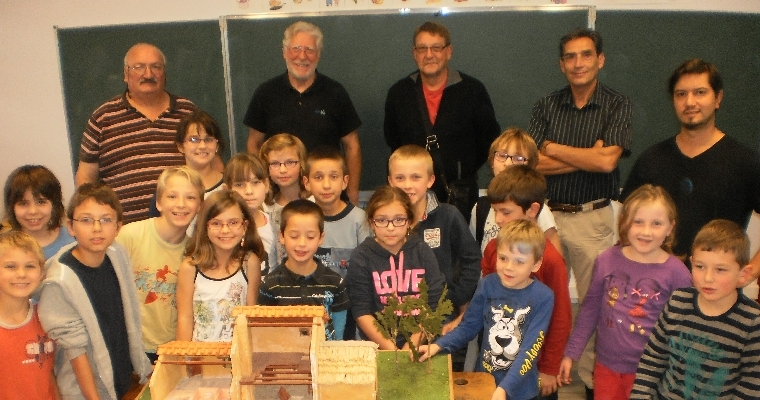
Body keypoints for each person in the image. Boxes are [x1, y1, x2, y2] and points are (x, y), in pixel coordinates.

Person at [528, 28, 632, 396]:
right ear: (561, 64)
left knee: (595, 309)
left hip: (594, 218)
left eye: (586, 54)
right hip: (547, 219)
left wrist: (555, 148)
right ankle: (546, 382)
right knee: (544, 302)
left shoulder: (617, 104)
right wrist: (589, 154)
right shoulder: (546, 105)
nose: (578, 63)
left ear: (600, 60)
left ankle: (587, 386)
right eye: (570, 56)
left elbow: (607, 163)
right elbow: (531, 162)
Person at [621, 59, 760, 274]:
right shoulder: (651, 160)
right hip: (656, 285)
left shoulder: (745, 162)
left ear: (718, 98)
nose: (690, 102)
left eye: (700, 92)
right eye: (681, 94)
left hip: (717, 287)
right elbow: (627, 224)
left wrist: (749, 272)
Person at [558, 185, 692, 399]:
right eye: (638, 221)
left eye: (656, 223)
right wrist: (571, 353)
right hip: (607, 368)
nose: (646, 231)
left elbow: (685, 329)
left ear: (670, 228)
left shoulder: (677, 273)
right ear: (624, 222)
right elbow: (590, 310)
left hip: (652, 373)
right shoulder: (607, 260)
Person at [38, 183, 152, 399]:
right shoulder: (59, 282)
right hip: (86, 392)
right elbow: (76, 352)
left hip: (121, 381)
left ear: (118, 227)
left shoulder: (117, 254)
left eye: (106, 220)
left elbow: (128, 317)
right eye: (86, 220)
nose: (97, 228)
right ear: (71, 227)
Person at [418, 220, 554, 400]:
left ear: (536, 264)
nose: (509, 267)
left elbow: (529, 351)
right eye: (503, 258)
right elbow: (468, 327)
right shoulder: (487, 284)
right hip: (485, 381)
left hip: (520, 392)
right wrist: (439, 345)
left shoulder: (543, 297)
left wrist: (504, 389)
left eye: (519, 262)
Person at [384, 21, 501, 220]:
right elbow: (393, 140)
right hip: (411, 196)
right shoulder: (400, 93)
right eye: (422, 48)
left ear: (449, 51)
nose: (429, 55)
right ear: (414, 53)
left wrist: (461, 170)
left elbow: (489, 141)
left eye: (436, 48)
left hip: (460, 197)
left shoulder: (472, 91)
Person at [630, 219, 760, 399]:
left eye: (720, 270)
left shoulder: (752, 321)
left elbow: (752, 383)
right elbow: (653, 358)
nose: (708, 278)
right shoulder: (677, 302)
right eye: (700, 267)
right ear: (691, 263)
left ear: (743, 274)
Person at [243, 21, 362, 206]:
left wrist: (352, 192)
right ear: (284, 52)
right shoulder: (266, 93)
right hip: (278, 198)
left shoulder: (335, 93)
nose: (302, 56)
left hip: (326, 197)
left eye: (310, 50)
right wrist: (262, 185)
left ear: (318, 54)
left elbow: (352, 146)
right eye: (296, 48)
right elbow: (253, 144)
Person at [76, 43, 197, 223]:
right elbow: (86, 177)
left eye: (156, 67)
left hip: (183, 228)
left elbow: (208, 164)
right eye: (138, 67)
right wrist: (96, 220)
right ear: (126, 74)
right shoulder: (103, 117)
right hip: (124, 230)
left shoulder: (187, 112)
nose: (148, 74)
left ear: (165, 74)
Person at [479, 165, 572, 399]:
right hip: (498, 362)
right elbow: (488, 301)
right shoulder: (493, 250)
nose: (498, 219)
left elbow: (560, 317)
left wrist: (549, 368)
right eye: (495, 211)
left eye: (506, 212)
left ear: (532, 210)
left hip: (535, 368)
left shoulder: (550, 260)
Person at [388, 145, 481, 334]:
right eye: (400, 178)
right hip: (395, 312)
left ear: (430, 180)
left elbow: (472, 259)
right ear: (390, 181)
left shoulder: (448, 216)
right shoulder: (384, 220)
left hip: (439, 314)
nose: (407, 185)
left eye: (416, 177)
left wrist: (454, 297)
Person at [117, 166, 204, 363]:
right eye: (172, 196)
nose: (181, 204)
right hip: (130, 348)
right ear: (158, 202)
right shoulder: (129, 237)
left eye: (190, 197)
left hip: (170, 349)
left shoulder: (195, 253)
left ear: (200, 206)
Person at [346, 185, 446, 350]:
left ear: (410, 221)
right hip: (377, 346)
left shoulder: (422, 252)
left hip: (421, 345)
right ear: (371, 222)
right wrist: (392, 351)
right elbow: (362, 312)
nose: (390, 227)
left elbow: (434, 304)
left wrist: (411, 346)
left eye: (399, 220)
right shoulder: (362, 256)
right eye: (382, 220)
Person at [176, 190, 265, 342]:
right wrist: (183, 355)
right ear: (205, 227)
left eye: (233, 223)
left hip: (237, 353)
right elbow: (185, 318)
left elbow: (251, 317)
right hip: (200, 354)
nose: (225, 230)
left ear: (245, 225)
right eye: (216, 223)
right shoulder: (190, 267)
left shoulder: (250, 263)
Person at [258, 199, 351, 340]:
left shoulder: (336, 283)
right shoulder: (270, 285)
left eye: (310, 237)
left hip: (325, 352)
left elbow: (338, 336)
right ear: (281, 236)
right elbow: (264, 335)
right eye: (294, 236)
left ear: (321, 238)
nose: (302, 243)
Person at [303, 146, 370, 339]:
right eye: (318, 177)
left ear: (345, 182)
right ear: (306, 183)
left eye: (333, 177)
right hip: (308, 310)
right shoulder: (300, 219)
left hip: (349, 313)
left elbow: (365, 274)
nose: (326, 185)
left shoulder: (360, 220)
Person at [470, 128, 561, 256]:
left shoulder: (538, 210)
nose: (507, 163)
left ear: (530, 166)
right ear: (491, 161)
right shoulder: (481, 207)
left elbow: (554, 258)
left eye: (518, 158)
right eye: (501, 155)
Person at [0, 231, 58, 400]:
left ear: (42, 273)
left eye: (30, 266)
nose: (21, 274)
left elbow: (49, 375)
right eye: (10, 266)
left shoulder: (47, 318)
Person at [148, 110, 226, 220]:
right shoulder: (168, 185)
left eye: (208, 139)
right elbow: (156, 224)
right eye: (194, 139)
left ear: (217, 146)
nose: (202, 146)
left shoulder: (229, 185)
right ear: (180, 146)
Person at [3, 165, 74, 259]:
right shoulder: (4, 247)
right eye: (23, 203)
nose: (33, 211)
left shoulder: (74, 240)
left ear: (55, 204)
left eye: (41, 202)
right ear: (11, 207)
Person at [259, 133, 309, 269]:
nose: (282, 170)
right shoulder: (264, 206)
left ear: (301, 163)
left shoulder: (314, 203)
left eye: (290, 162)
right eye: (275, 163)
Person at [224, 153, 275, 275]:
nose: (249, 191)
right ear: (227, 190)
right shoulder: (222, 229)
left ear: (266, 185)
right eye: (239, 185)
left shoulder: (276, 224)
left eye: (255, 182)